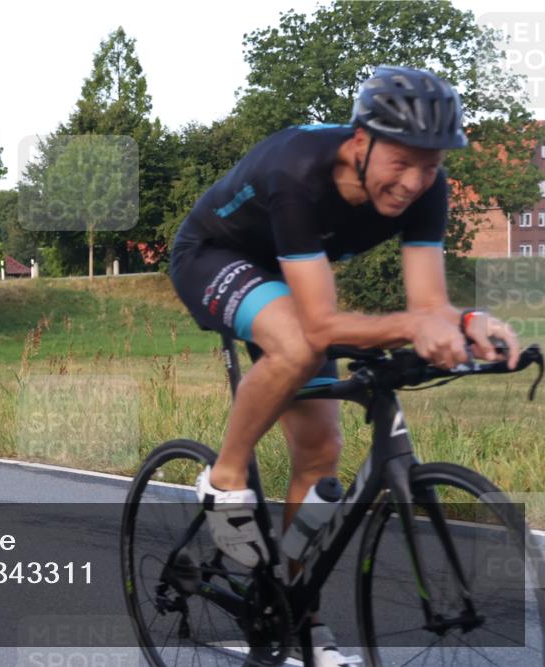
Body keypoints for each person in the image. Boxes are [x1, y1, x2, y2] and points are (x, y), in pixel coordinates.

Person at [168, 65, 520, 667]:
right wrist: (412, 327)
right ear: (360, 143)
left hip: (289, 279)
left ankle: (295, 617)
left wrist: (468, 322)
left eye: (429, 166)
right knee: (302, 345)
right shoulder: (297, 171)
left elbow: (429, 304)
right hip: (215, 256)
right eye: (401, 162)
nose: (413, 182)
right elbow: (324, 325)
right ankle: (225, 477)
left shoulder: (428, 188)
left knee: (321, 455)